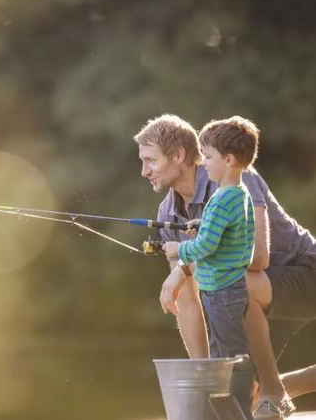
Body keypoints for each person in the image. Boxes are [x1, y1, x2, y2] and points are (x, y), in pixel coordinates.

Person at [133, 114, 316, 420]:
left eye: (150, 160)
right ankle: (274, 390)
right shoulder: (168, 211)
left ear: (178, 155)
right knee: (237, 386)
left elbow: (259, 257)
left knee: (232, 281)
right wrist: (206, 383)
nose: (144, 171)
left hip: (305, 275)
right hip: (255, 299)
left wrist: (183, 266)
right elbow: (188, 302)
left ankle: (272, 390)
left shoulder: (236, 176)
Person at [159, 116, 257, 417]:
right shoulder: (238, 195)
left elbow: (204, 247)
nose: (204, 162)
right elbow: (230, 233)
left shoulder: (221, 198)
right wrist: (203, 224)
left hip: (222, 293)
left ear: (228, 160)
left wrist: (178, 248)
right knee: (228, 354)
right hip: (230, 289)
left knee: (229, 359)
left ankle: (237, 411)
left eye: (209, 157)